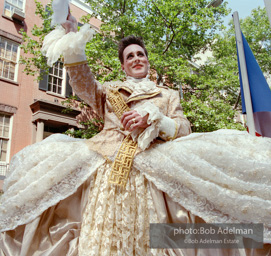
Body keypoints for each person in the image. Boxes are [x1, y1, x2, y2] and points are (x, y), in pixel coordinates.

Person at [0, 14, 271, 256]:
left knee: (166, 235)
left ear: (148, 61)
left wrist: (155, 120)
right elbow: (83, 84)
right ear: (124, 66)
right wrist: (73, 39)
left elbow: (183, 126)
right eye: (130, 56)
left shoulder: (168, 94)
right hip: (106, 164)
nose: (136, 59)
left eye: (140, 54)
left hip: (153, 166)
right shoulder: (108, 91)